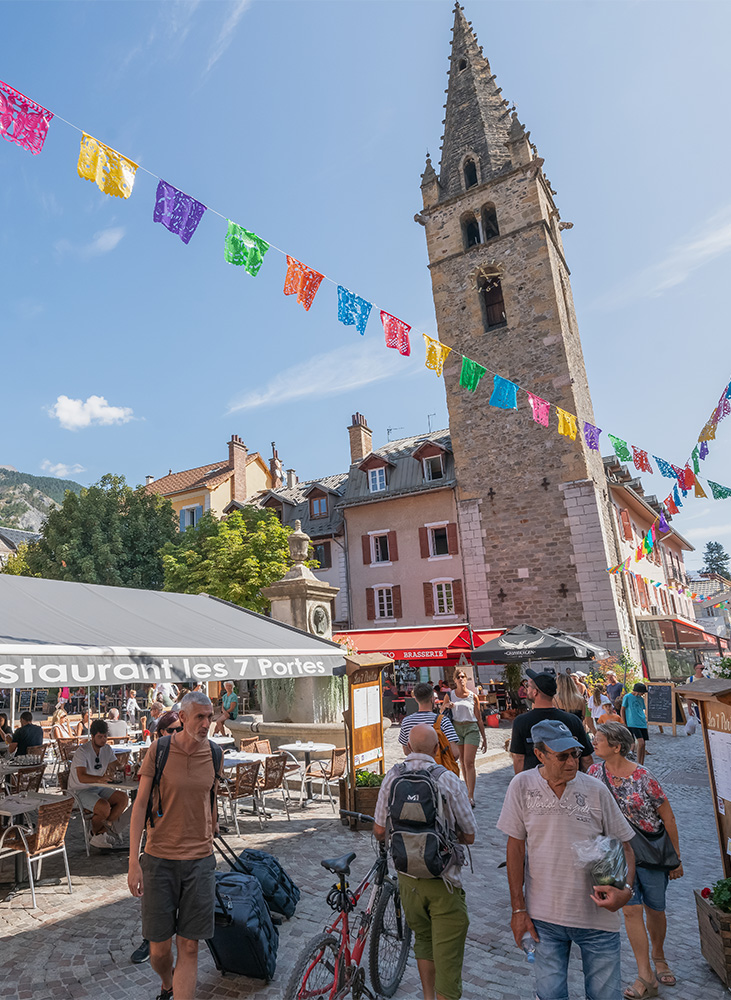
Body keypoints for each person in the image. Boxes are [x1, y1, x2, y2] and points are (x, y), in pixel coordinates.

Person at [498, 719, 636, 1000]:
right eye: (562, 756)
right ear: (539, 754)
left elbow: (625, 847)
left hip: (598, 919)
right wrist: (518, 910)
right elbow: (515, 848)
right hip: (543, 919)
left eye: (575, 754)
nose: (572, 762)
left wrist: (625, 890)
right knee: (550, 995)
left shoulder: (596, 789)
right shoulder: (522, 785)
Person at [127, 692, 223, 1000]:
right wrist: (133, 862)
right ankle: (167, 983)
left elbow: (211, 795)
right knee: (158, 950)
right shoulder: (160, 750)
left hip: (200, 861)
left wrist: (212, 823)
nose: (206, 723)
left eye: (210, 717)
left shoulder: (215, 753)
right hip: (159, 860)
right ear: (182, 717)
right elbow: (140, 805)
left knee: (190, 946)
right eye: (200, 717)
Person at [373, 724, 475, 1000]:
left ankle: (428, 996)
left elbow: (380, 830)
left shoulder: (392, 776)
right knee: (449, 953)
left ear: (407, 747)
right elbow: (470, 834)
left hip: (408, 878)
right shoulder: (448, 779)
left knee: (424, 940)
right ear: (436, 748)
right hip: (443, 880)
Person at [590, 722, 683, 998]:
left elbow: (668, 817)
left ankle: (659, 956)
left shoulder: (644, 777)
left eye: (599, 739)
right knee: (630, 910)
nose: (594, 742)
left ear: (616, 747)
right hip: (615, 854)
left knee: (655, 909)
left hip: (651, 852)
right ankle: (646, 975)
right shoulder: (594, 773)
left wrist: (676, 858)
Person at [129, 710, 186, 968]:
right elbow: (141, 804)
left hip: (188, 841)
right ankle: (150, 941)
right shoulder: (157, 755)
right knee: (156, 903)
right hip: (157, 839)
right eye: (172, 730)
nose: (177, 734)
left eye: (180, 729)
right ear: (161, 733)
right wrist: (133, 859)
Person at [509, 670, 594, 773]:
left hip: (535, 779)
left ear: (535, 692)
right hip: (569, 778)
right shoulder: (573, 720)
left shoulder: (521, 722)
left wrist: (520, 781)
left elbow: (519, 758)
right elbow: (586, 758)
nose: (526, 689)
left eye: (528, 686)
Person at [68, 719, 129, 849]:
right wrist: (100, 779)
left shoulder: (107, 749)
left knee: (123, 798)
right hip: (78, 790)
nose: (103, 740)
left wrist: (128, 767)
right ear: (92, 736)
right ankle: (98, 834)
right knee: (104, 807)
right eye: (100, 737)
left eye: (105, 736)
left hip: (99, 787)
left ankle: (99, 832)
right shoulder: (82, 751)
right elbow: (81, 777)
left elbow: (117, 766)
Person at [443, 669, 487, 807]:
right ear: (454, 680)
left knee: (469, 762)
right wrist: (446, 705)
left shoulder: (473, 696)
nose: (461, 679)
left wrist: (484, 738)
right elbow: (441, 711)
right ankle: (467, 791)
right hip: (456, 728)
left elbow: (479, 718)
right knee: (462, 761)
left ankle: (471, 795)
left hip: (471, 728)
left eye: (463, 677)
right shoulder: (450, 695)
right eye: (458, 677)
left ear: (466, 679)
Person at [399, 683, 459, 760]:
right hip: (439, 765)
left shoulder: (406, 722)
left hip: (416, 765)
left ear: (416, 699)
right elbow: (455, 753)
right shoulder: (443, 721)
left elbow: (406, 751)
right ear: (432, 699)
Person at [622, 683, 649, 765]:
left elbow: (642, 709)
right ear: (637, 691)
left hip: (642, 722)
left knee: (643, 744)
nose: (643, 694)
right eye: (642, 692)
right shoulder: (627, 697)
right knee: (641, 742)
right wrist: (624, 722)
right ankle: (638, 763)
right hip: (632, 722)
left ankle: (641, 763)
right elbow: (622, 709)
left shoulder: (641, 699)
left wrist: (645, 719)